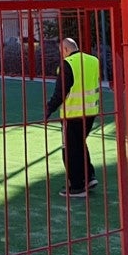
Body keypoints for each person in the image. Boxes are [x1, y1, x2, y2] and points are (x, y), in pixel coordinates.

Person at [42, 36, 103, 199]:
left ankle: (77, 186)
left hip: (72, 113)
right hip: (90, 111)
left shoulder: (67, 64)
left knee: (69, 149)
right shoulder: (93, 60)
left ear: (66, 50)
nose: (61, 54)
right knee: (80, 143)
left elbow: (60, 92)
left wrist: (49, 108)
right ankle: (89, 177)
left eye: (61, 51)